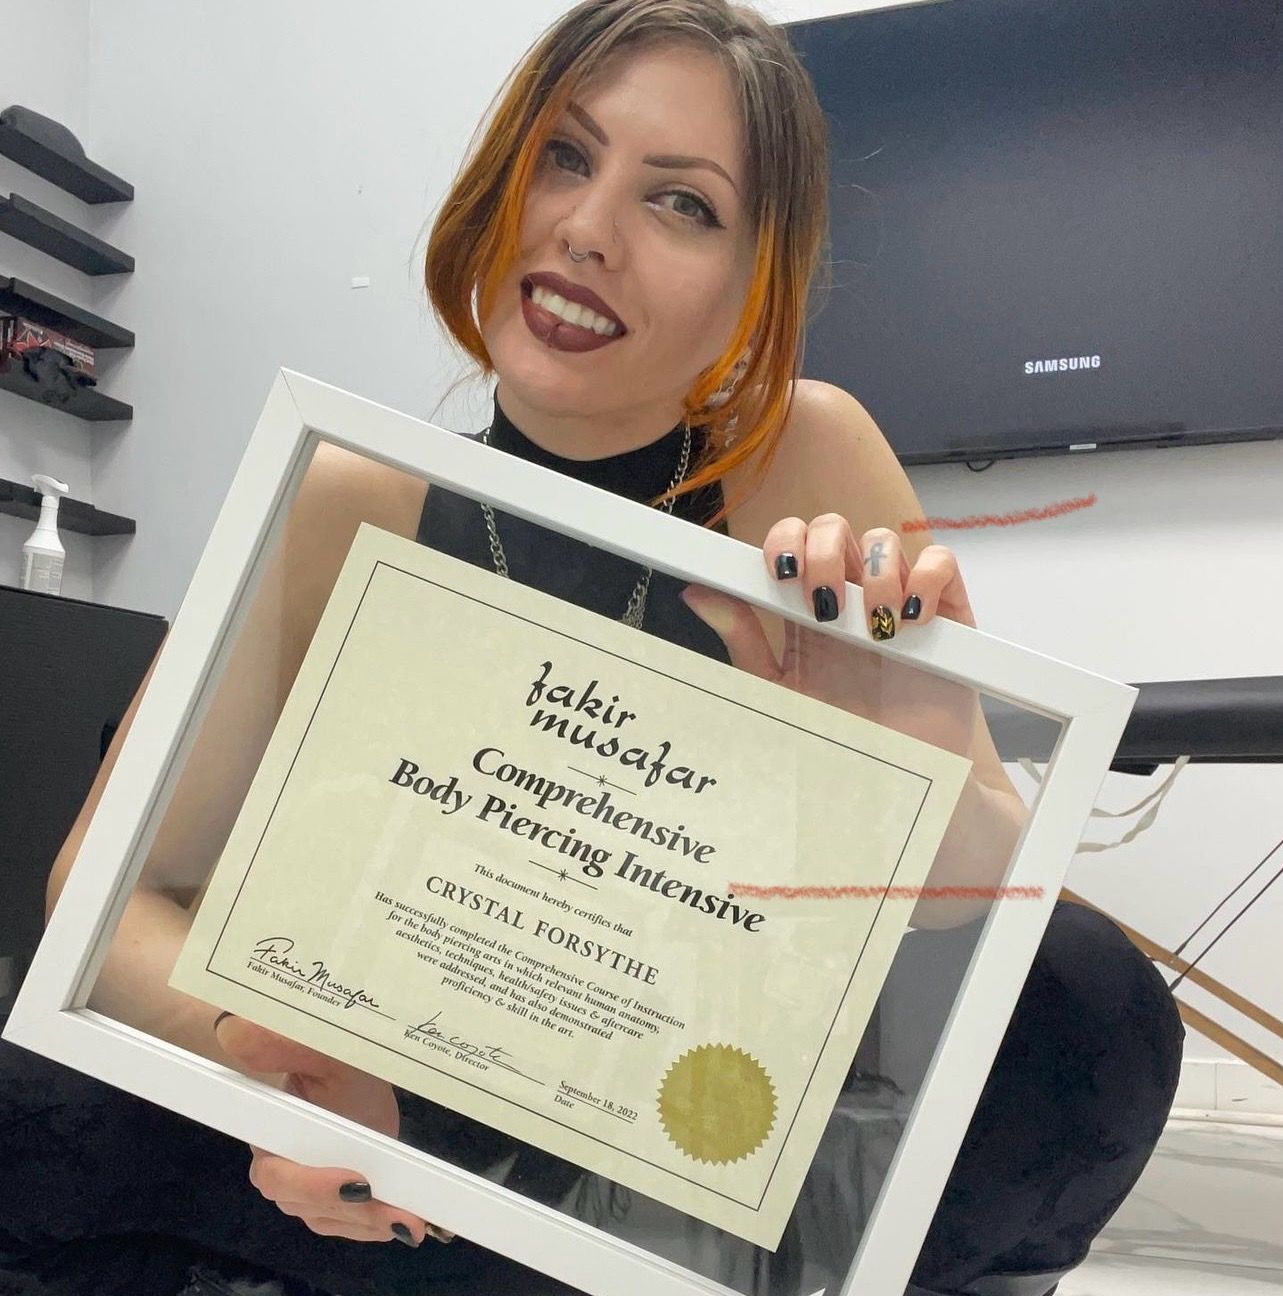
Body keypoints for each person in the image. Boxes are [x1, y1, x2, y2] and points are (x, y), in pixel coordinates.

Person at [1, 3, 1183, 1295]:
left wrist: (931, 763)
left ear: (755, 280)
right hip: (394, 1096)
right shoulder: (353, 496)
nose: (586, 229)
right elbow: (104, 897)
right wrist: (282, 1064)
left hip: (678, 1112)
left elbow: (986, 921)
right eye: (564, 157)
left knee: (1090, 1009)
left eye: (682, 206)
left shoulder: (802, 461)